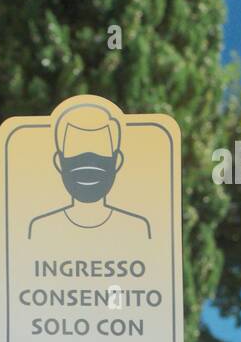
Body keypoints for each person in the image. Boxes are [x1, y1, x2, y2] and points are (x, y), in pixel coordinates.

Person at [28, 102, 151, 243]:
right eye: (76, 148)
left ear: (117, 161)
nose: (88, 160)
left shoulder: (137, 228)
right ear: (58, 162)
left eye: (100, 147)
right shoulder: (40, 229)